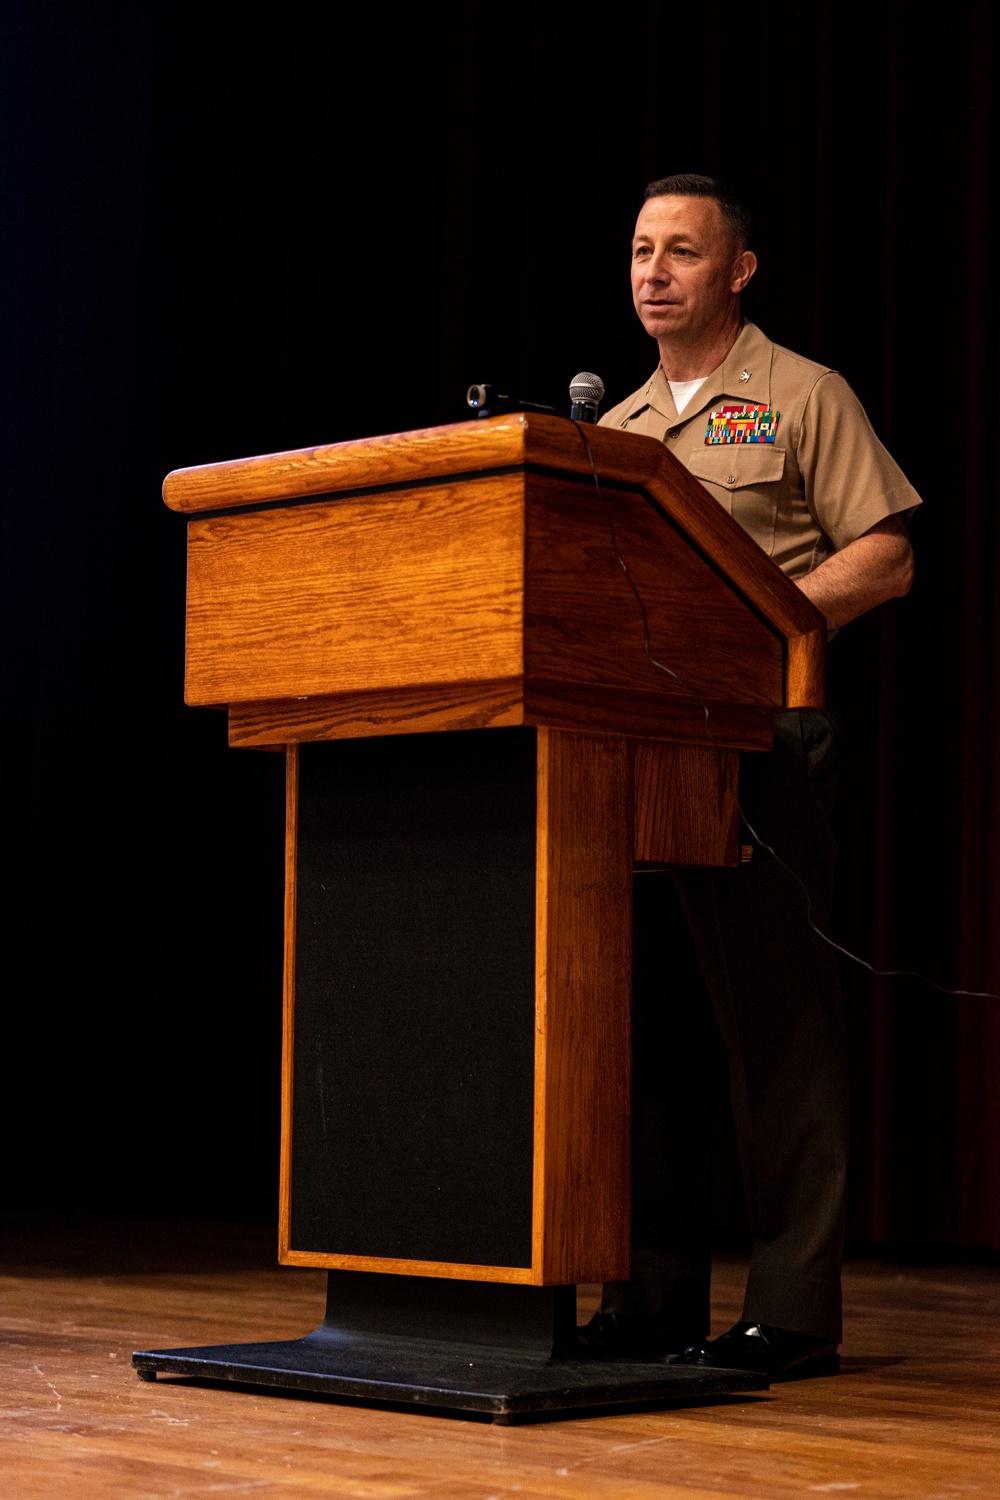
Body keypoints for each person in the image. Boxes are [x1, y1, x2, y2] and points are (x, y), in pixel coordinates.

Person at [580, 174, 921, 1379]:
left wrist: (752, 624)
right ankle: (653, 1298)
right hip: (634, 755)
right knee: (646, 1035)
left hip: (759, 747)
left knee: (775, 1033)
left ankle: (792, 1308)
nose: (653, 271)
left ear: (739, 271)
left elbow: (882, 558)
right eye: (637, 251)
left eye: (681, 251)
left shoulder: (797, 395)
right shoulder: (612, 430)